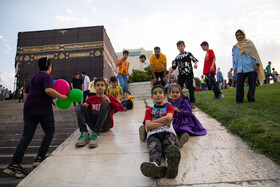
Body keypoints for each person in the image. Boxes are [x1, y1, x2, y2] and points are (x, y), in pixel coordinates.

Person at [4, 57, 68, 178]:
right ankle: (39, 158)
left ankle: (14, 165)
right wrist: (62, 97)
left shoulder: (33, 77)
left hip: (29, 108)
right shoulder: (47, 76)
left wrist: (31, 101)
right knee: (50, 130)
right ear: (49, 67)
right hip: (42, 107)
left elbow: (26, 94)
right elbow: (48, 90)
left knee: (26, 135)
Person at [140, 85, 181, 179]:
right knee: (155, 147)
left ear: (165, 95)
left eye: (160, 93)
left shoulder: (169, 107)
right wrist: (164, 122)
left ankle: (170, 165)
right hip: (153, 134)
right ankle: (154, 166)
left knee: (169, 146)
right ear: (151, 97)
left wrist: (152, 123)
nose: (158, 95)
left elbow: (169, 118)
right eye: (155, 94)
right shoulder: (149, 110)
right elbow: (148, 125)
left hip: (168, 132)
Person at [74, 78, 124, 148]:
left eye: (102, 85)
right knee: (79, 107)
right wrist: (85, 105)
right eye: (98, 85)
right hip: (93, 125)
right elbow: (84, 107)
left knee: (105, 104)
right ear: (94, 87)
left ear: (105, 87)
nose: (100, 87)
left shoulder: (109, 97)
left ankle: (96, 134)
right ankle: (84, 133)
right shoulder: (91, 98)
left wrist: (109, 102)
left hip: (105, 125)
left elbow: (121, 108)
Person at [232, 29, 265, 103]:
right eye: (237, 35)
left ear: (243, 35)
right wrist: (235, 69)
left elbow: (255, 54)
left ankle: (251, 98)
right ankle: (239, 99)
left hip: (250, 67)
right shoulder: (235, 47)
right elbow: (234, 59)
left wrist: (256, 64)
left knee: (252, 84)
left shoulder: (249, 43)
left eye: (240, 34)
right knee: (239, 84)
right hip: (240, 69)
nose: (239, 36)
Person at [166, 40, 198, 109]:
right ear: (177, 48)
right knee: (178, 87)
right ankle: (180, 100)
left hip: (189, 73)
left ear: (184, 46)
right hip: (181, 74)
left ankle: (192, 101)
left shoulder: (188, 54)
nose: (181, 47)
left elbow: (195, 59)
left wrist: (195, 64)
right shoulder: (177, 57)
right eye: (179, 46)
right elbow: (174, 67)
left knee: (190, 86)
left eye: (182, 46)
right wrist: (168, 74)